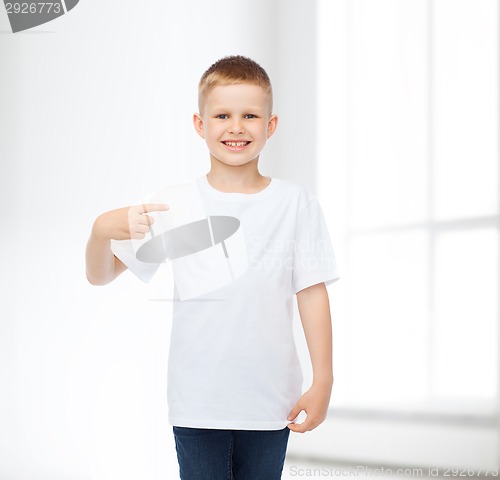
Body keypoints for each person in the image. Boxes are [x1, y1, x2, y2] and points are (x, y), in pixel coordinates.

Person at [85, 55, 340, 480]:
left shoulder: (295, 203)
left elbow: (312, 292)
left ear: (270, 125)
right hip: (197, 402)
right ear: (200, 125)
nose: (236, 126)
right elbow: (101, 274)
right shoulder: (175, 203)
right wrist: (98, 233)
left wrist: (324, 380)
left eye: (250, 115)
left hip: (270, 402)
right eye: (222, 115)